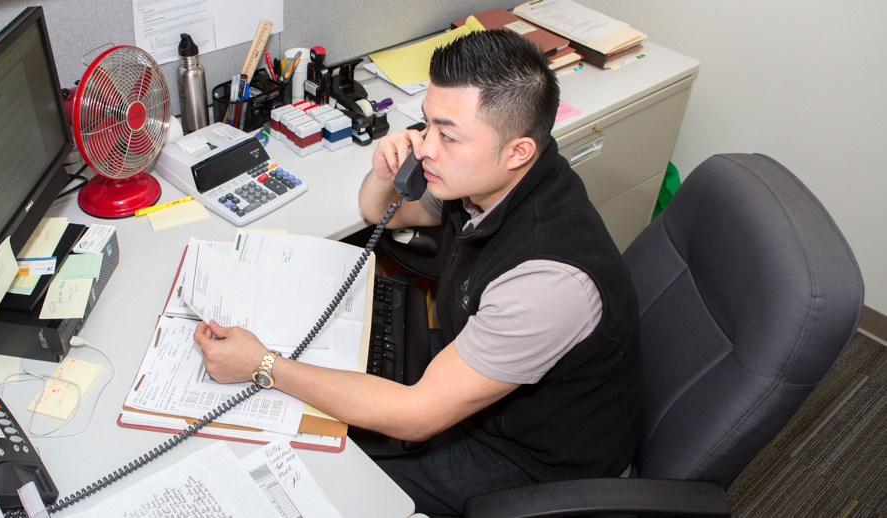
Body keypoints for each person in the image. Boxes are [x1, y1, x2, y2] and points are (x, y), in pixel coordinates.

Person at [193, 29, 642, 516]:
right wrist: (388, 172)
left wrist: (265, 366)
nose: (426, 147)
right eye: (426, 124)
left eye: (447, 135)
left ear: (518, 151)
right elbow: (379, 210)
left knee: (324, 461)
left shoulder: (547, 279)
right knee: (327, 389)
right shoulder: (486, 181)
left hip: (535, 464)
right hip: (484, 394)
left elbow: (415, 416)